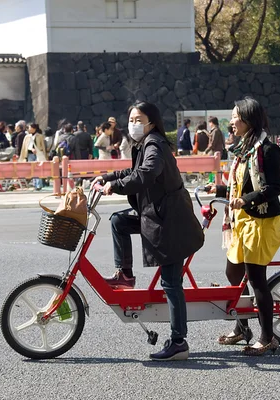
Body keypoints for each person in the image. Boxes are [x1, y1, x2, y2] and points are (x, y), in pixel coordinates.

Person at [92, 101, 204, 361]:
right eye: (131, 118)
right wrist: (108, 178)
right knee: (119, 221)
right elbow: (134, 170)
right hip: (156, 215)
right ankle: (125, 275)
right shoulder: (144, 144)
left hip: (171, 222)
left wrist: (116, 187)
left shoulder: (154, 144)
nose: (133, 123)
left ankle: (179, 342)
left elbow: (146, 173)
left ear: (151, 121)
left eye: (138, 118)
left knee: (171, 283)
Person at [209, 97, 280, 356]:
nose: (231, 121)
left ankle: (267, 337)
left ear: (248, 119)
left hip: (262, 221)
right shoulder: (243, 150)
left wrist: (246, 200)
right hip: (241, 221)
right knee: (233, 275)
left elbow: (274, 188)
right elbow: (240, 186)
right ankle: (243, 327)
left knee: (256, 280)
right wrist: (219, 189)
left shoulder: (267, 149)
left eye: (235, 117)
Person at [20, 123, 47, 191]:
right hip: (30, 154)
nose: (29, 129)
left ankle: (38, 185)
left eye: (30, 127)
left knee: (38, 169)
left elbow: (42, 146)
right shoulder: (27, 137)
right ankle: (35, 184)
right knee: (33, 169)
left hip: (38, 154)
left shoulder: (40, 136)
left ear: (34, 128)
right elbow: (25, 147)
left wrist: (44, 154)